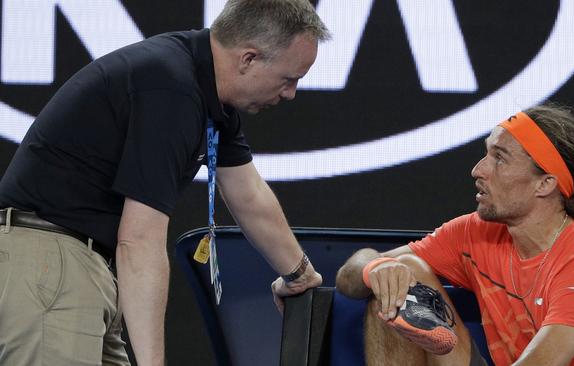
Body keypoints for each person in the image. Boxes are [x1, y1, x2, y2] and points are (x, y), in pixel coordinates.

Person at [0, 0, 330, 365]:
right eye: (289, 79)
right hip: (51, 263)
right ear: (248, 59)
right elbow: (139, 240)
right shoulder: (170, 89)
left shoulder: (206, 94)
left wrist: (300, 274)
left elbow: (248, 195)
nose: (291, 94)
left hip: (72, 267)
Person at [336, 104, 574, 366]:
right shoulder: (475, 232)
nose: (478, 170)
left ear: (545, 184)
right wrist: (374, 269)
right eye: (487, 154)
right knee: (399, 276)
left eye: (500, 158)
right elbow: (347, 278)